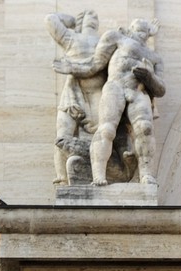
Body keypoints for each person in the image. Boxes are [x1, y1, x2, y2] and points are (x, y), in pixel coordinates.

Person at [61, 19, 165, 187]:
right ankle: (98, 175)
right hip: (115, 87)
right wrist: (72, 67)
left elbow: (161, 89)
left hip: (138, 92)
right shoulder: (117, 37)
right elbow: (95, 64)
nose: (141, 33)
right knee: (107, 128)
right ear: (130, 28)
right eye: (138, 29)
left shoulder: (154, 57)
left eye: (145, 31)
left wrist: (149, 77)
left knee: (145, 128)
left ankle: (146, 174)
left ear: (149, 34)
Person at [47, 12, 106, 185]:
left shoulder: (105, 41)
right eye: (88, 16)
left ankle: (97, 175)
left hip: (98, 94)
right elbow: (50, 20)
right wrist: (71, 21)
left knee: (102, 134)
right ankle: (62, 178)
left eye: (95, 16)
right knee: (62, 135)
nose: (94, 17)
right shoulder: (72, 38)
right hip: (72, 93)